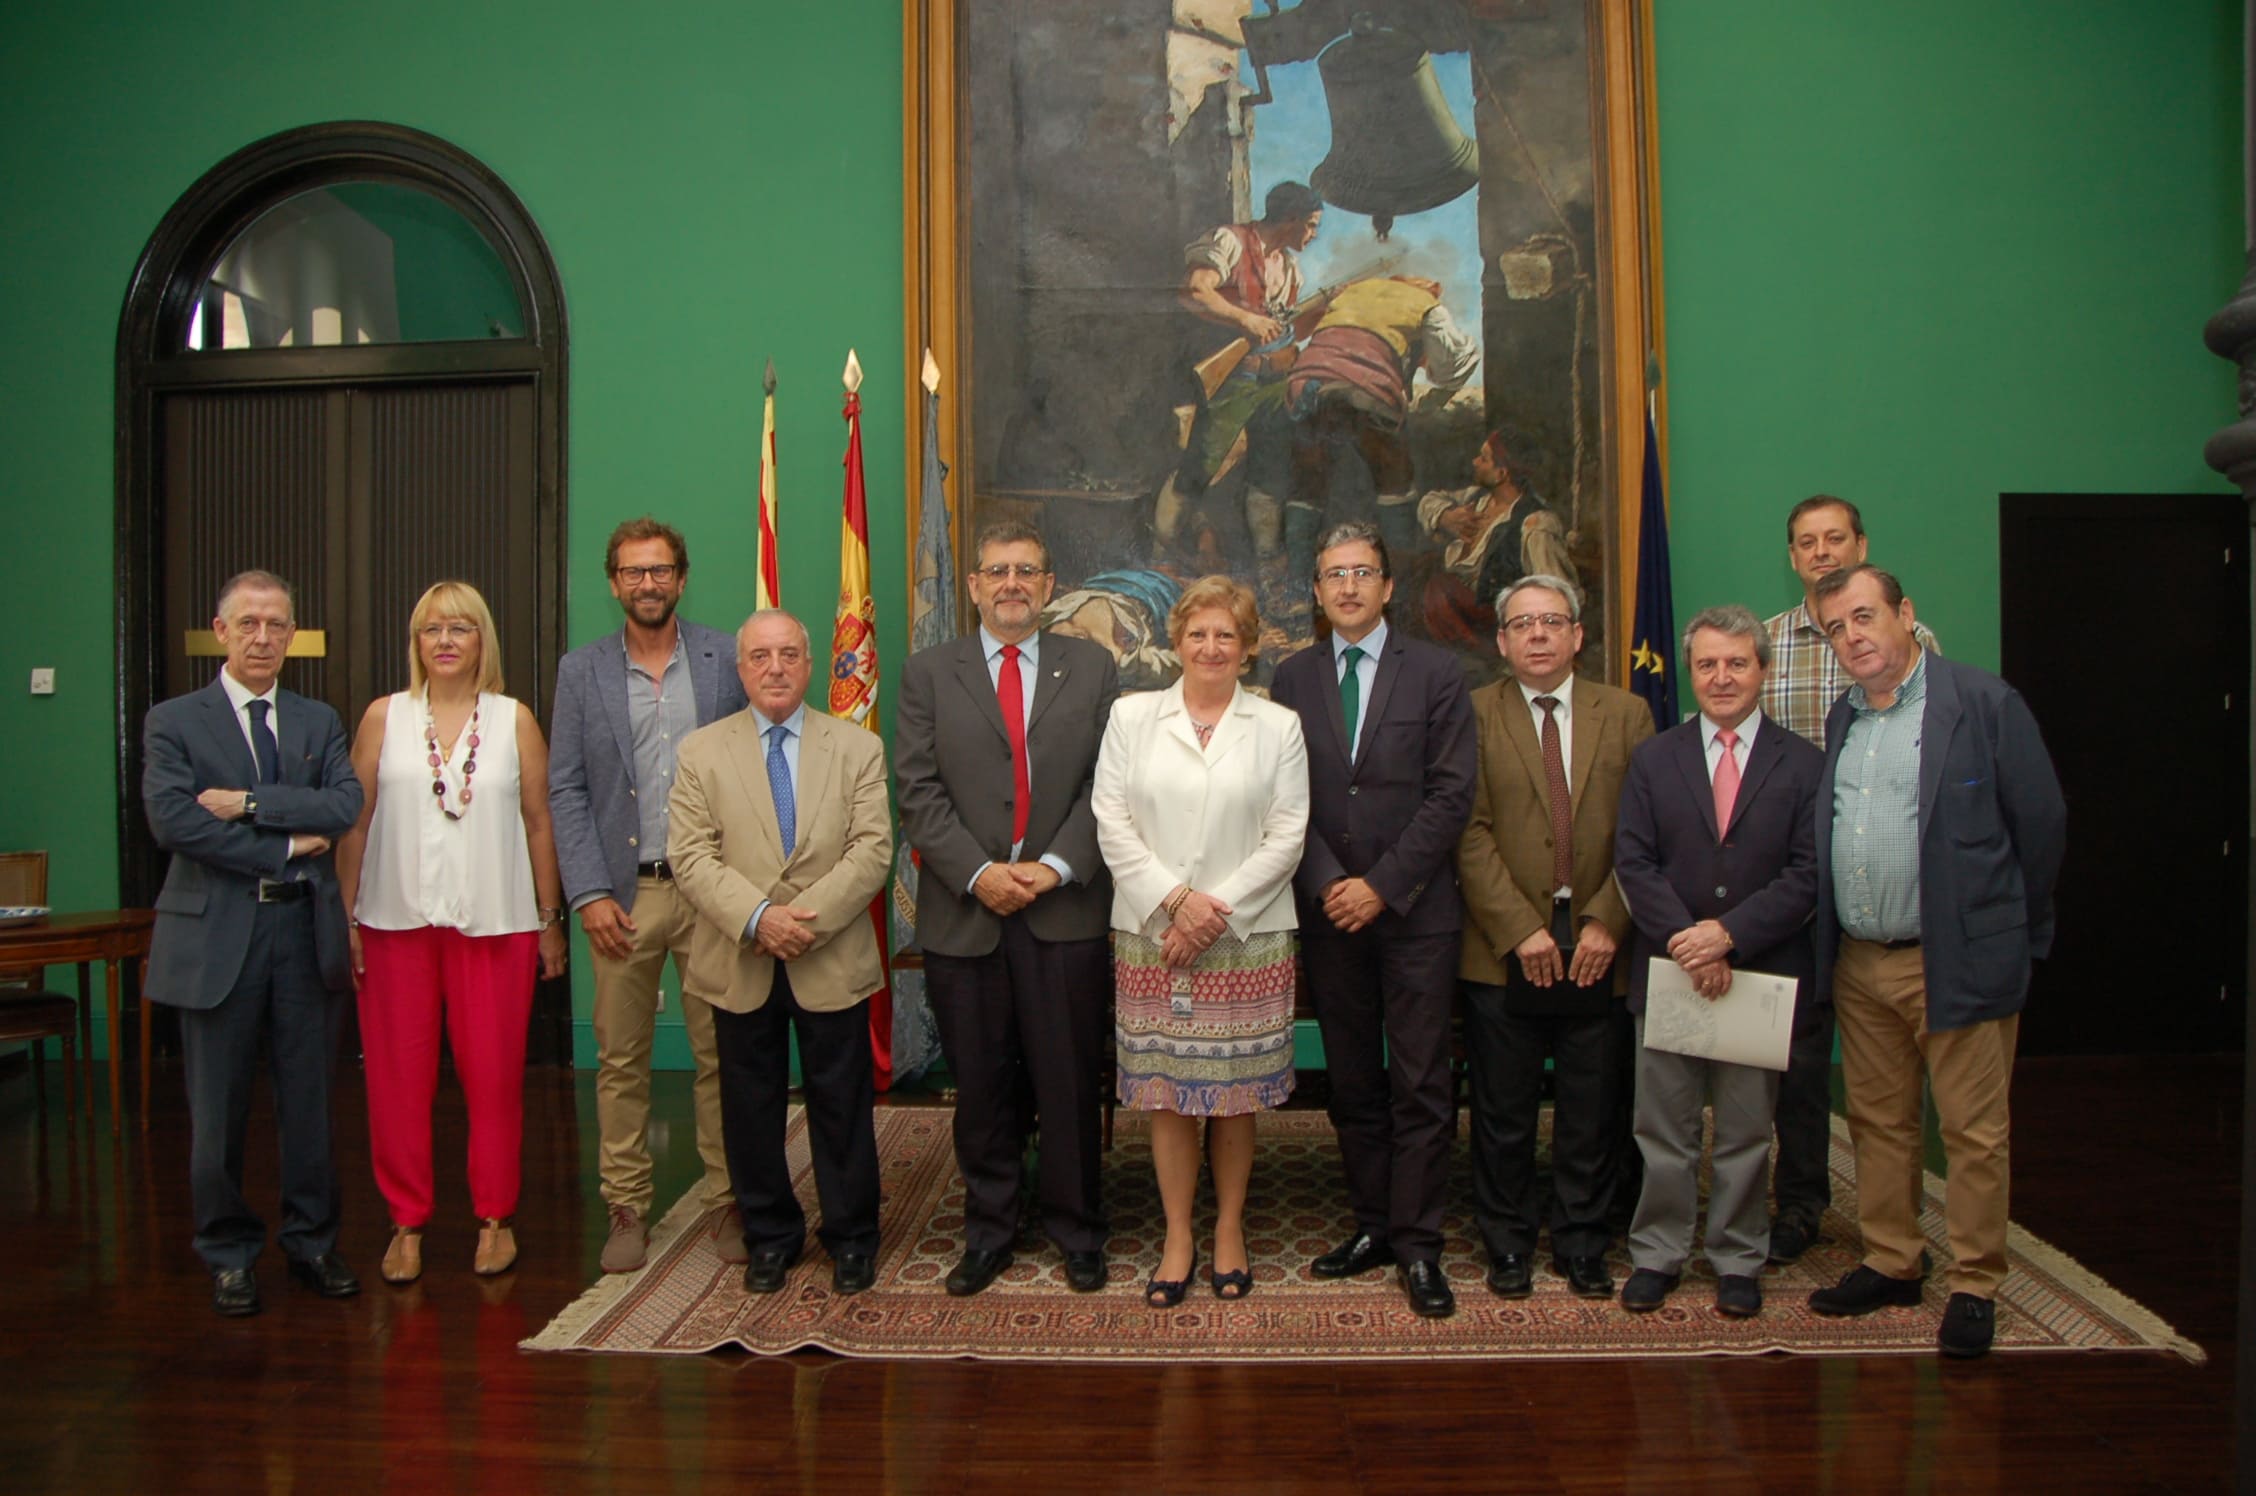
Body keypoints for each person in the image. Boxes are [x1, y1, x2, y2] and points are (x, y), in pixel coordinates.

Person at [1804, 565, 2065, 1359]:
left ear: (1905, 615)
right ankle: (1893, 1259)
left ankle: (1977, 1281)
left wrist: (2014, 930)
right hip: (1861, 960)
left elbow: (2042, 824)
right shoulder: (1843, 717)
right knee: (1880, 1122)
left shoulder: (1983, 705)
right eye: (1837, 628)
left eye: (1864, 617)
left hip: (1955, 959)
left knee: (1972, 1131)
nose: (1853, 637)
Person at [894, 521, 1121, 1297]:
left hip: (1066, 910)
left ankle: (1077, 1228)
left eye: (1028, 570)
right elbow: (916, 791)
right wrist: (979, 873)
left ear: (1050, 585)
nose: (1012, 583)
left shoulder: (1091, 668)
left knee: (1066, 1080)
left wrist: (1056, 867)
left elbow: (1107, 786)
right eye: (997, 571)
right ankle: (990, 1229)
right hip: (968, 914)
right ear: (973, 586)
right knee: (982, 1089)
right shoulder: (929, 672)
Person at [143, 570, 365, 1316]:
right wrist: (281, 847)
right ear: (221, 630)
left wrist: (249, 804)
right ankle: (228, 1253)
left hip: (304, 934)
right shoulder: (175, 721)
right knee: (219, 1109)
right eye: (249, 624)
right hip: (216, 942)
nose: (264, 637)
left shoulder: (318, 719)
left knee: (309, 1105)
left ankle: (311, 1242)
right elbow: (175, 824)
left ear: (291, 635)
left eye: (277, 625)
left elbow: (342, 803)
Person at [1269, 522, 1475, 1318]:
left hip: (1416, 911)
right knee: (1352, 1079)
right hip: (1330, 915)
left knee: (1421, 1081)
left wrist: (1381, 886)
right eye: (1333, 575)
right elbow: (1284, 799)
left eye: (1363, 572)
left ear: (1388, 587)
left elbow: (1451, 793)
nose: (1348, 586)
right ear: (1316, 593)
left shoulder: (1436, 672)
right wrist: (1330, 883)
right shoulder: (1291, 677)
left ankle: (1420, 1246)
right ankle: (1373, 1226)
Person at [337, 581, 568, 1283]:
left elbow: (539, 822)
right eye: (431, 628)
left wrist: (549, 920)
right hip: (393, 922)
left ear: (482, 640)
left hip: (496, 926)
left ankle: (494, 1218)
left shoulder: (514, 720)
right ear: (416, 642)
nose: (444, 640)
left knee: (493, 1079)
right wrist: (347, 917)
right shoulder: (383, 717)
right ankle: (406, 1223)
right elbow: (357, 820)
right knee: (398, 1082)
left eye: (460, 628)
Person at [1092, 576, 1310, 1305]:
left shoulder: (1278, 726)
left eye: (1226, 635)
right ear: (1176, 643)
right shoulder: (1131, 716)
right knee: (1168, 1095)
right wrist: (1175, 905)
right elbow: (1111, 821)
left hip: (1247, 937)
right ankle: (1179, 1234)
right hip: (1153, 933)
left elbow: (1288, 834)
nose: (1211, 647)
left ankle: (1229, 1231)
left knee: (1233, 1094)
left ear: (1247, 649)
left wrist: (1213, 912)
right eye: (1197, 633)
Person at [667, 610, 893, 1296]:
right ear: (740, 669)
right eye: (760, 656)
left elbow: (873, 848)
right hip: (741, 957)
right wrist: (760, 918)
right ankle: (770, 1235)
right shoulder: (700, 752)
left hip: (830, 956)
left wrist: (803, 922)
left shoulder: (856, 748)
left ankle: (852, 1237)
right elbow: (689, 854)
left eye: (789, 654)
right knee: (749, 1106)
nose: (775, 668)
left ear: (808, 662)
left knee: (841, 1103)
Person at [548, 517, 748, 1274]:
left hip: (709, 890)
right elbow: (565, 787)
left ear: (681, 578)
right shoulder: (582, 671)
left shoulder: (723, 657)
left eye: (660, 570)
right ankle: (626, 1205)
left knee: (717, 1056)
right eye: (633, 572)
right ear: (614, 583)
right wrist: (588, 893)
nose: (648, 584)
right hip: (622, 896)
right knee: (622, 1059)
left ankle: (726, 1200)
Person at [1611, 606, 1822, 1318]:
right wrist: (1689, 942)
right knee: (1663, 1129)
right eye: (1707, 664)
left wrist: (1728, 936)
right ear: (1691, 670)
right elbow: (1633, 862)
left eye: (1737, 663)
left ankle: (1737, 1257)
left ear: (1762, 668)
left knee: (1743, 1131)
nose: (1721, 677)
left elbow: (1806, 873)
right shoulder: (1655, 756)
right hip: (1672, 971)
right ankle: (1659, 1253)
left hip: (1757, 972)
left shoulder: (1804, 763)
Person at [1457, 573, 1653, 1301]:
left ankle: (1582, 1242)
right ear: (1502, 641)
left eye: (1552, 621)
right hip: (1501, 943)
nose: (1537, 635)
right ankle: (1507, 1245)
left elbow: (1646, 830)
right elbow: (1467, 832)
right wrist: (1520, 929)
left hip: (1601, 936)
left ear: (1577, 635)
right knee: (1503, 1112)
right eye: (1522, 624)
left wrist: (1607, 918)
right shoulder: (1473, 714)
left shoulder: (1627, 714)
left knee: (1591, 1108)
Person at [1756, 494, 1940, 1265]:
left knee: (1894, 1085)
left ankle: (1908, 1239)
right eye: (1807, 542)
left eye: (1836, 539)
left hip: (1882, 889)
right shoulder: (1765, 643)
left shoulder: (1912, 638)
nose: (1823, 552)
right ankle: (1798, 1206)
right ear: (1793, 558)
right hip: (1791, 885)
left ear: (1861, 544)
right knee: (1796, 1060)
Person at [1154, 182, 1327, 627]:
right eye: (1310, 226)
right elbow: (1196, 291)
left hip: (1270, 381)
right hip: (1227, 376)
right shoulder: (1230, 241)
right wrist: (1246, 318)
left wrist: (1323, 310)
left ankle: (1268, 565)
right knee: (1202, 462)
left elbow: (1287, 330)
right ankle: (1158, 559)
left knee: (1271, 468)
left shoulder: (1290, 271)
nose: (1312, 236)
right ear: (1289, 220)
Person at [1284, 274, 1479, 560]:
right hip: (1367, 388)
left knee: (1307, 488)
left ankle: (1297, 589)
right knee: (1395, 481)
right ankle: (1400, 574)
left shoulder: (1350, 291)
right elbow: (1456, 362)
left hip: (1307, 387)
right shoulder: (1425, 304)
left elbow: (1300, 330)